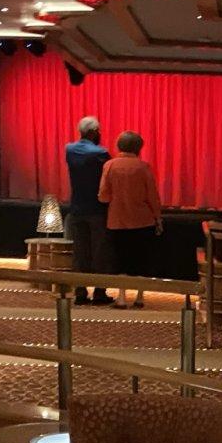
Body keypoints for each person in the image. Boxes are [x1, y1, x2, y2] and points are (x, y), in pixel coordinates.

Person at [98, 130, 163, 309]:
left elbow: (103, 196)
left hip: (117, 220)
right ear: (139, 148)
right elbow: (152, 196)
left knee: (120, 260)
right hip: (143, 220)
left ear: (119, 145)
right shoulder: (143, 167)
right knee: (141, 259)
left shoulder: (110, 165)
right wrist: (158, 217)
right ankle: (140, 297)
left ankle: (121, 298)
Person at [65, 116, 114, 306]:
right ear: (94, 132)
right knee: (100, 252)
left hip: (77, 208)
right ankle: (99, 293)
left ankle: (80, 292)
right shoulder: (101, 153)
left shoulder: (69, 150)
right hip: (97, 209)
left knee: (80, 252)